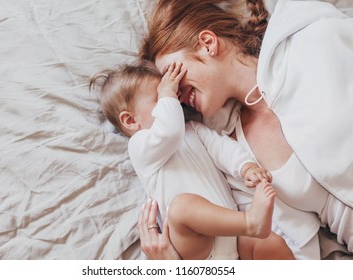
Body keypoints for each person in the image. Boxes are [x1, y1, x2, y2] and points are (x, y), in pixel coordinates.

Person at [138, 0, 353, 259]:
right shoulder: (237, 158)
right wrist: (173, 267)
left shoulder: (308, 43)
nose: (175, 95)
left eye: (174, 75)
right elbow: (284, 254)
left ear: (208, 43)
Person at [91, 60, 294, 259]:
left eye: (172, 95)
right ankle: (251, 222)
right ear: (131, 120)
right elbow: (169, 132)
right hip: (194, 246)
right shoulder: (140, 145)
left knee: (272, 243)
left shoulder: (194, 129)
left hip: (230, 237)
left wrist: (245, 167)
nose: (174, 100)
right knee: (180, 208)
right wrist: (167, 94)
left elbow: (220, 147)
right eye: (159, 97)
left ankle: (253, 228)